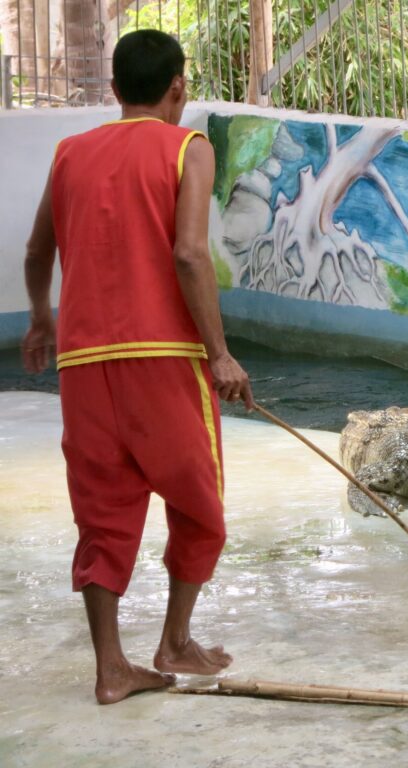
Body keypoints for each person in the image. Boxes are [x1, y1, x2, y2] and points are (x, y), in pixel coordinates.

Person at [20, 29, 254, 705]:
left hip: (84, 363)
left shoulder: (70, 153)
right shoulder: (190, 146)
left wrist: (42, 316)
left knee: (102, 513)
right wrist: (221, 353)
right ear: (178, 87)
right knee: (199, 504)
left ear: (114, 89)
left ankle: (111, 667)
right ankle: (175, 640)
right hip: (164, 360)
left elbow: (38, 252)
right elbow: (188, 253)